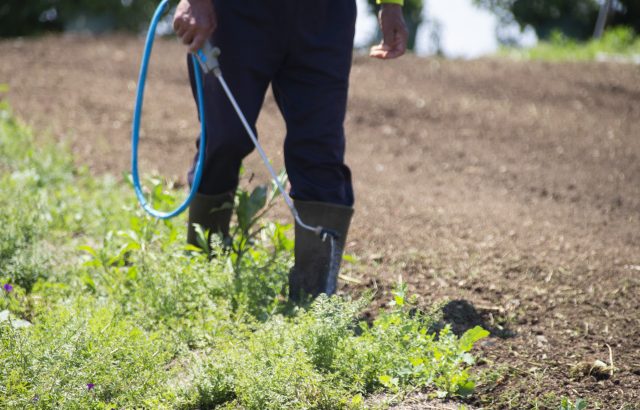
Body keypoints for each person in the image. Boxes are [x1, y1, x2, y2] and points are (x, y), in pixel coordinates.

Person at [173, 0, 408, 301]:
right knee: (224, 138)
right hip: (233, 14)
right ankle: (201, 281)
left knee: (320, 152)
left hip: (324, 16)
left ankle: (314, 303)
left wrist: (391, 5)